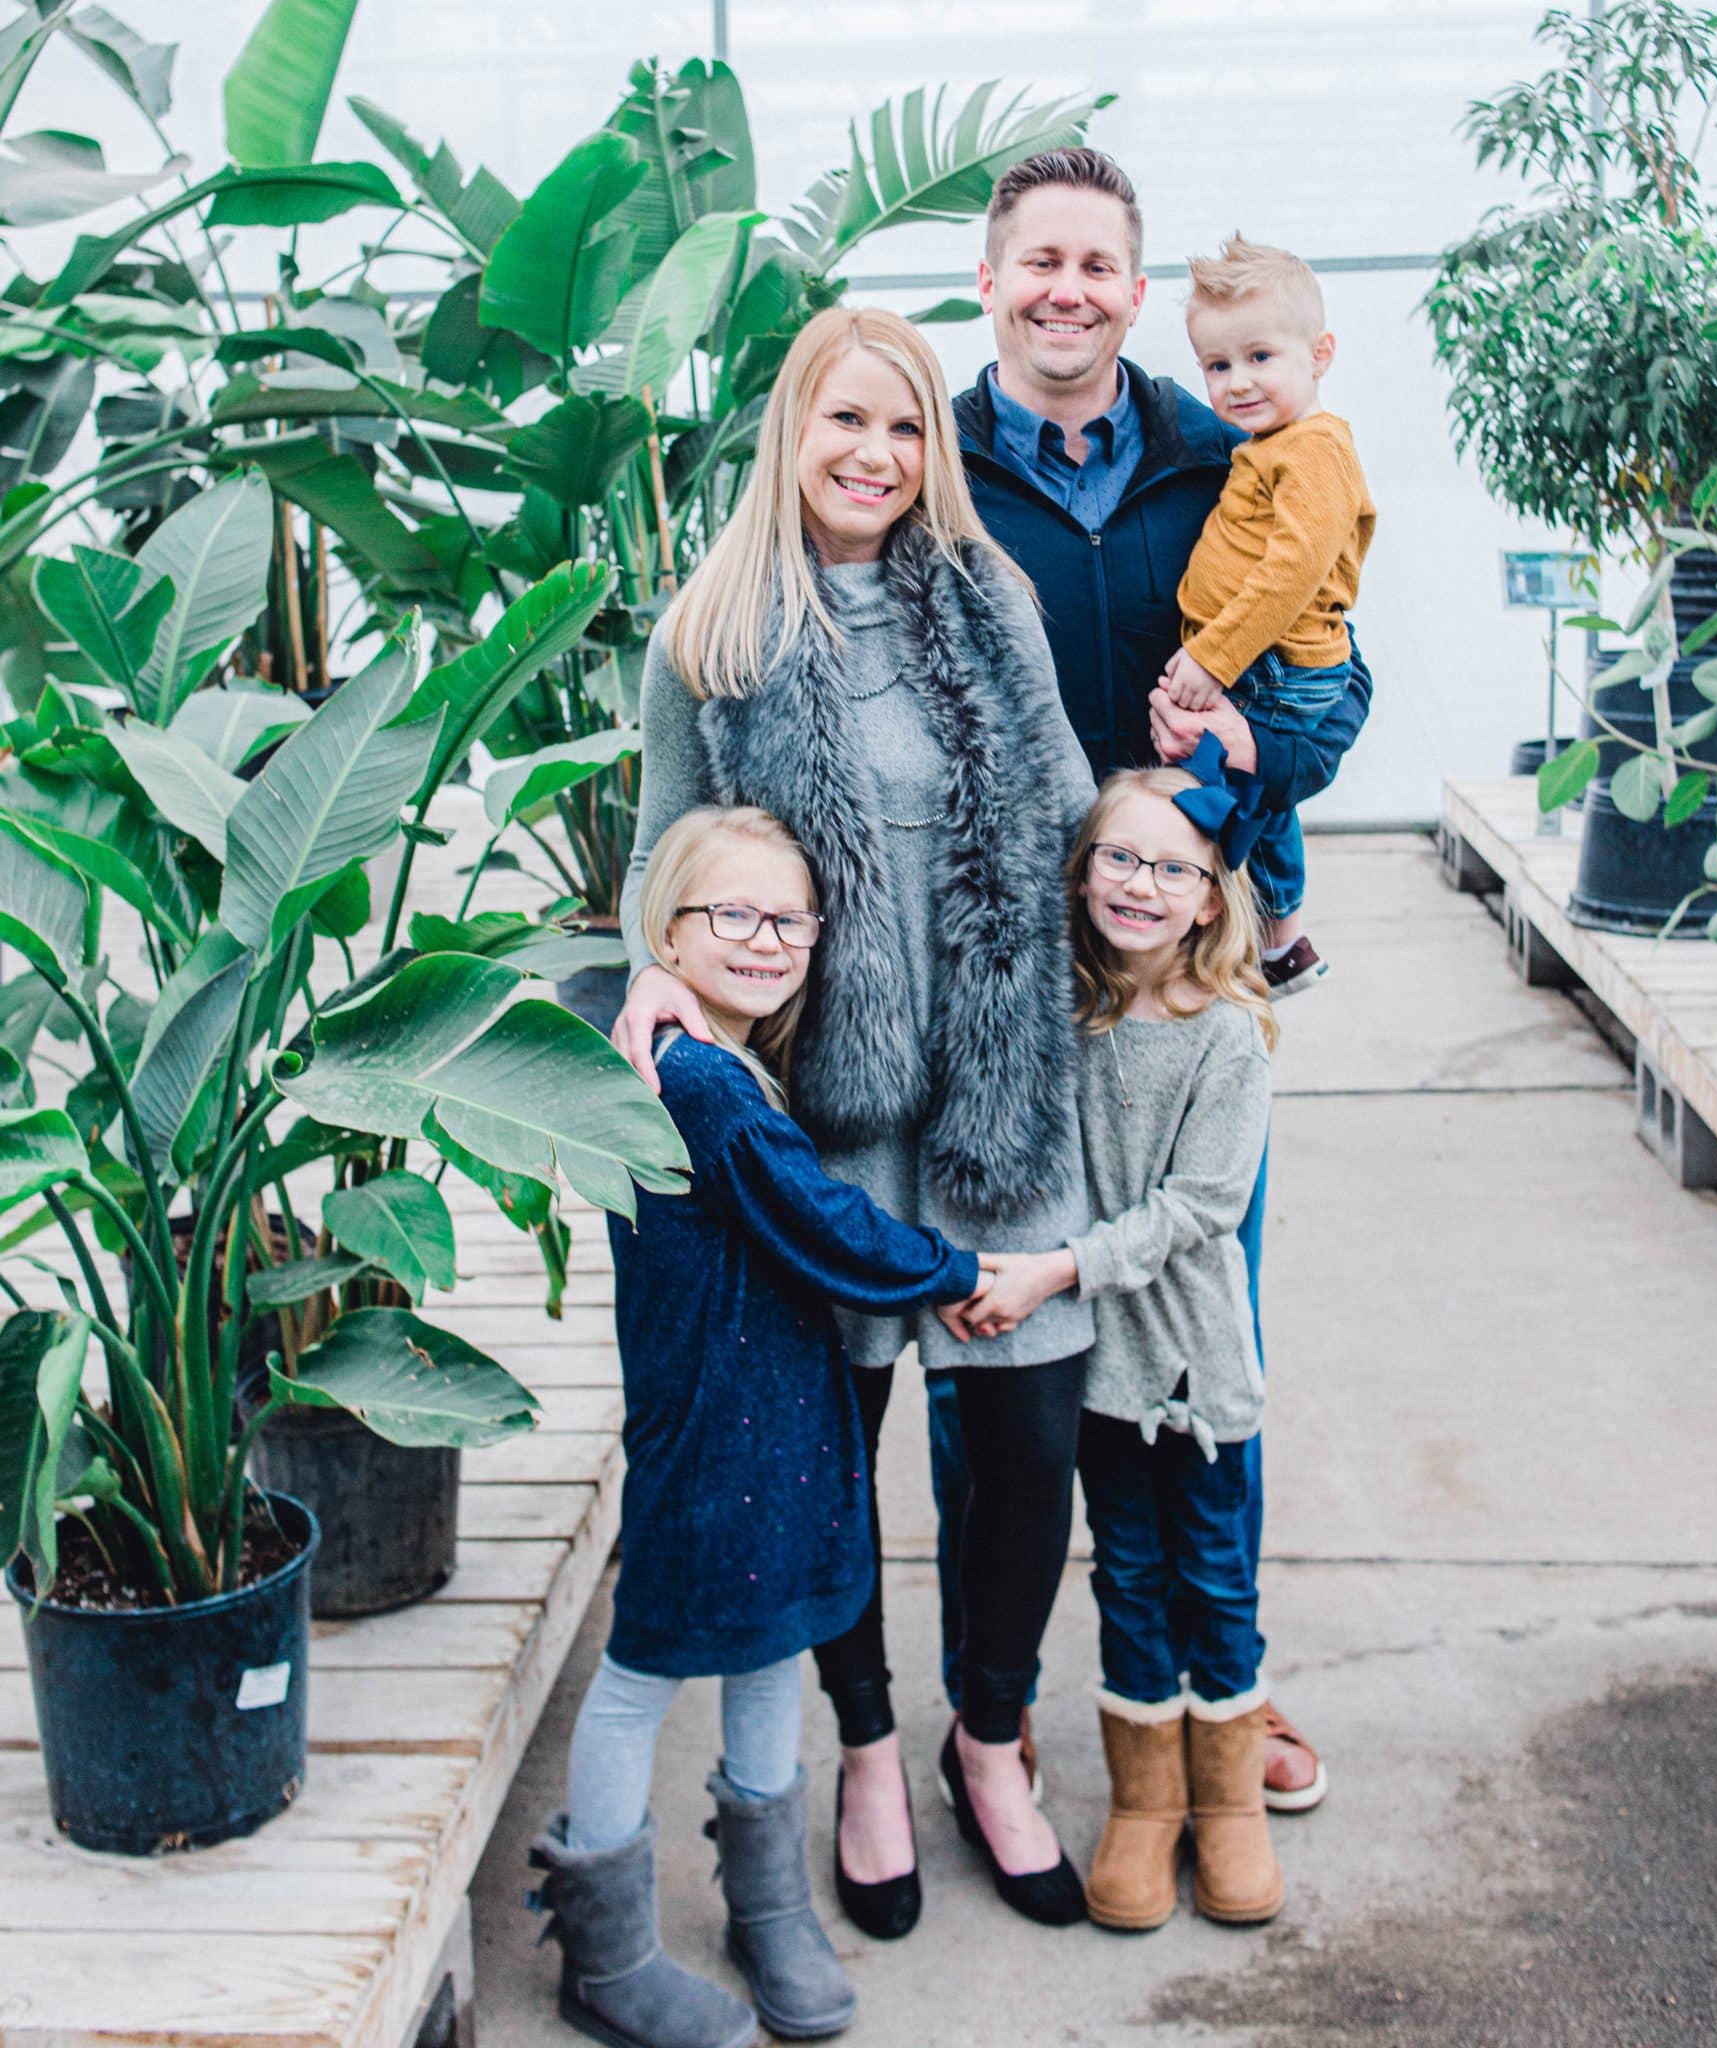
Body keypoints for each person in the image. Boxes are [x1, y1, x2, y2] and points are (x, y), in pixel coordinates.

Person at [609, 306, 1101, 1934]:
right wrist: (655, 987)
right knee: (827, 1461)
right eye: (843, 423)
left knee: (1024, 1446)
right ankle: (870, 1749)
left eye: (901, 428)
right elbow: (663, 852)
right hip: (816, 1112)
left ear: (930, 448)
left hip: (1002, 1097)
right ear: (790, 433)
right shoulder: (714, 632)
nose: (873, 457)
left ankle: (990, 1733)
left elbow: (1069, 814)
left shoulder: (992, 601)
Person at [935, 145, 1347, 1821]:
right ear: (990, 281)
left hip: (1180, 1002)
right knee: (1004, 1353)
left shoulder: (1219, 449)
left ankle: (1213, 1679)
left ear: (1131, 283)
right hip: (1003, 996)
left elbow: (1329, 696)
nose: (1066, 290)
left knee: (1195, 1337)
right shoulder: (934, 465)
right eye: (1037, 261)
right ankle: (1000, 1702)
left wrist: (1224, 809)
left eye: (1097, 264)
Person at [527, 806, 986, 2048]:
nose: (766, 939)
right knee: (644, 1670)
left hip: (773, 1416)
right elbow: (823, 1224)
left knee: (773, 1639)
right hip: (710, 1427)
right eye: (731, 913)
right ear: (664, 933)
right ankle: (608, 1953)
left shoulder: (719, 1057)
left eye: (788, 918)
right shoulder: (695, 1081)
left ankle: (767, 1900)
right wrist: (953, 1269)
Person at [962, 742, 1282, 1929]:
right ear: (1081, 866)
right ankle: (1146, 1807)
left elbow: (1201, 1209)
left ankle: (1228, 1803)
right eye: (1119, 858)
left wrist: (1059, 1267)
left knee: (1213, 1574)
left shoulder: (1228, 1032)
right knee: (1129, 1575)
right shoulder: (1068, 1011)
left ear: (1211, 894)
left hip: (1194, 1371)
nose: (1141, 885)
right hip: (1098, 1376)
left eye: (1174, 867)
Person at [1161, 234, 1377, 996]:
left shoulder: (1313, 450)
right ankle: (1276, 933)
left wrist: (1213, 657)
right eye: (1217, 366)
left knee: (1232, 790)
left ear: (1319, 353)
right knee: (1255, 793)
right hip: (1264, 659)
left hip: (1273, 665)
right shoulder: (1271, 443)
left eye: (1260, 358)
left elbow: (1290, 573)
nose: (1237, 382)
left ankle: (1260, 928)